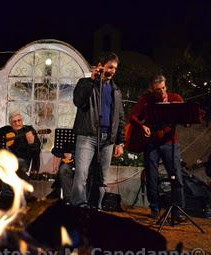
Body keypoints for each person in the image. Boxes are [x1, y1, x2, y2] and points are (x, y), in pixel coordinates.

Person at [71, 52, 125, 209]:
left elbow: (120, 117)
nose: (112, 71)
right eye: (110, 67)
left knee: (101, 178)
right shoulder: (85, 83)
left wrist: (120, 142)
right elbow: (79, 101)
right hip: (88, 135)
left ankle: (96, 207)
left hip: (108, 139)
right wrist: (92, 80)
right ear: (101, 66)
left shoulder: (116, 91)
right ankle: (79, 206)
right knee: (81, 174)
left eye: (115, 68)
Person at [129, 74, 185, 219]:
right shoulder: (146, 99)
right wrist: (142, 126)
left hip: (170, 142)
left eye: (163, 88)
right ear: (151, 90)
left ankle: (178, 210)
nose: (161, 92)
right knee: (151, 177)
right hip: (151, 143)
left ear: (166, 86)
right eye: (157, 90)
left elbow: (185, 117)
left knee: (176, 176)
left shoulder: (175, 98)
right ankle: (155, 209)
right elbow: (133, 116)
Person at [0, 111, 41, 195]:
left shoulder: (29, 130)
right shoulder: (6, 130)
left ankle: (9, 194)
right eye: (14, 121)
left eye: (19, 120)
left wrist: (31, 143)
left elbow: (36, 152)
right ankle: (5, 193)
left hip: (24, 160)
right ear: (10, 123)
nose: (17, 123)